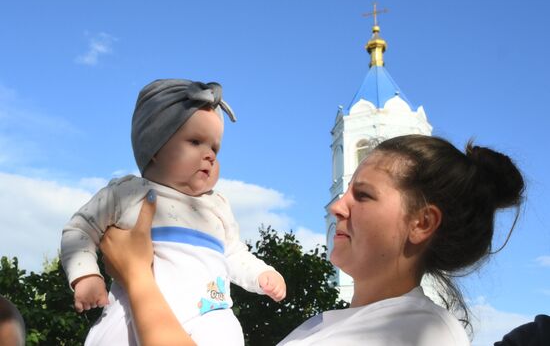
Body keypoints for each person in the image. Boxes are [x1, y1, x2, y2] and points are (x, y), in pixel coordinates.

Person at [100, 134, 525, 346]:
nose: (338, 207)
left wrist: (139, 277)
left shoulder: (419, 332)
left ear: (421, 223)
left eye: (364, 195)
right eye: (346, 191)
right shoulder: (331, 325)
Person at [60, 79, 286, 346]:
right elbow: (80, 229)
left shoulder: (217, 206)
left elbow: (234, 253)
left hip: (207, 313)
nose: (210, 155)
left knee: (227, 329)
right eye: (195, 141)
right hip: (134, 309)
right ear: (155, 148)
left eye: (214, 148)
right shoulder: (129, 192)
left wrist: (261, 274)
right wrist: (86, 275)